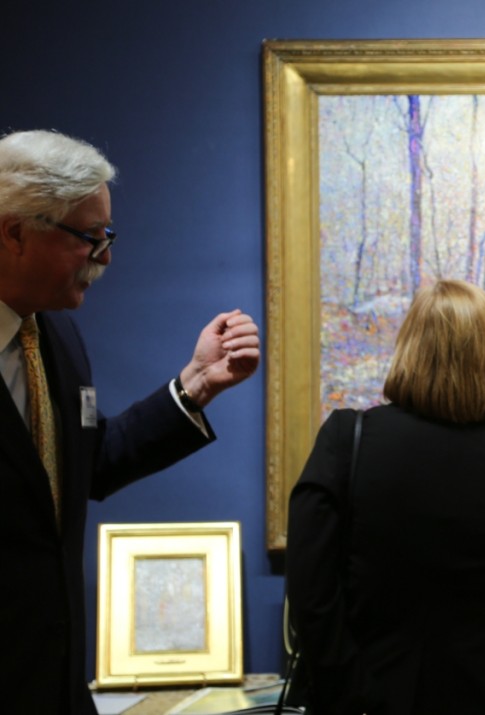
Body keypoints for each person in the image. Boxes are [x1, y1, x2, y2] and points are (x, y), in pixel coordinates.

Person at [0, 129, 260, 715]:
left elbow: (87, 466)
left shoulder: (56, 335)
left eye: (107, 236)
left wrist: (195, 385)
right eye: (90, 239)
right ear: (16, 232)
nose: (106, 258)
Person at [287, 278, 485, 714]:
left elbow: (311, 593)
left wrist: (348, 693)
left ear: (410, 346)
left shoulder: (346, 439)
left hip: (368, 691)